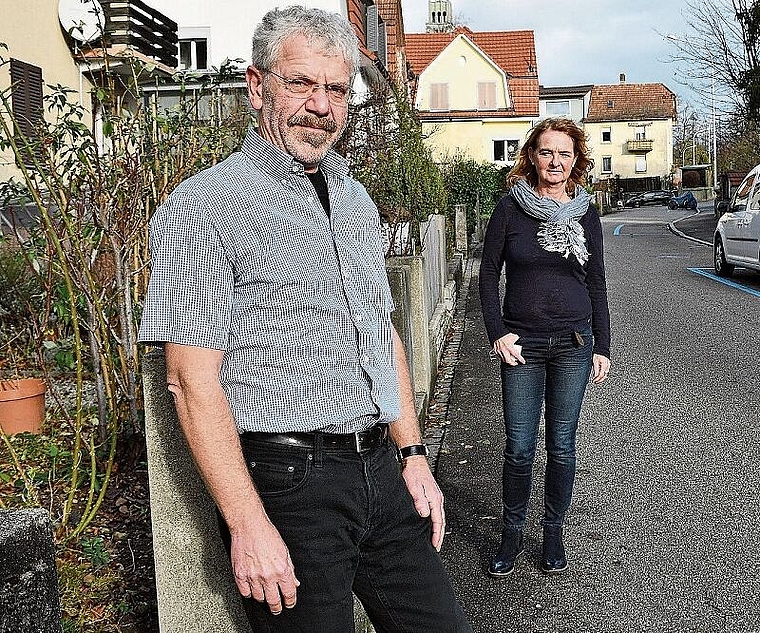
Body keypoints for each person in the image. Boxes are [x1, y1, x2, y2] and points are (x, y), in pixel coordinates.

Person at [138, 5, 471, 632]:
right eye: (301, 83)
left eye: (337, 88)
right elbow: (188, 379)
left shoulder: (355, 197)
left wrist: (414, 453)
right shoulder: (202, 207)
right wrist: (247, 524)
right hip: (288, 488)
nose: (321, 105)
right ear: (257, 87)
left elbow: (381, 330)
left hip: (380, 471)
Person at [479, 117, 611, 578]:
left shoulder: (586, 213)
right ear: (532, 156)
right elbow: (487, 274)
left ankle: (552, 530)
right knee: (518, 446)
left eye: (564, 153)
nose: (555, 161)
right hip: (523, 346)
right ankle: (512, 532)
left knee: (561, 446)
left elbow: (595, 281)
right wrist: (497, 333)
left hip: (575, 344)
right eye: (546, 151)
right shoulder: (509, 210)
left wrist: (603, 346)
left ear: (576, 161)